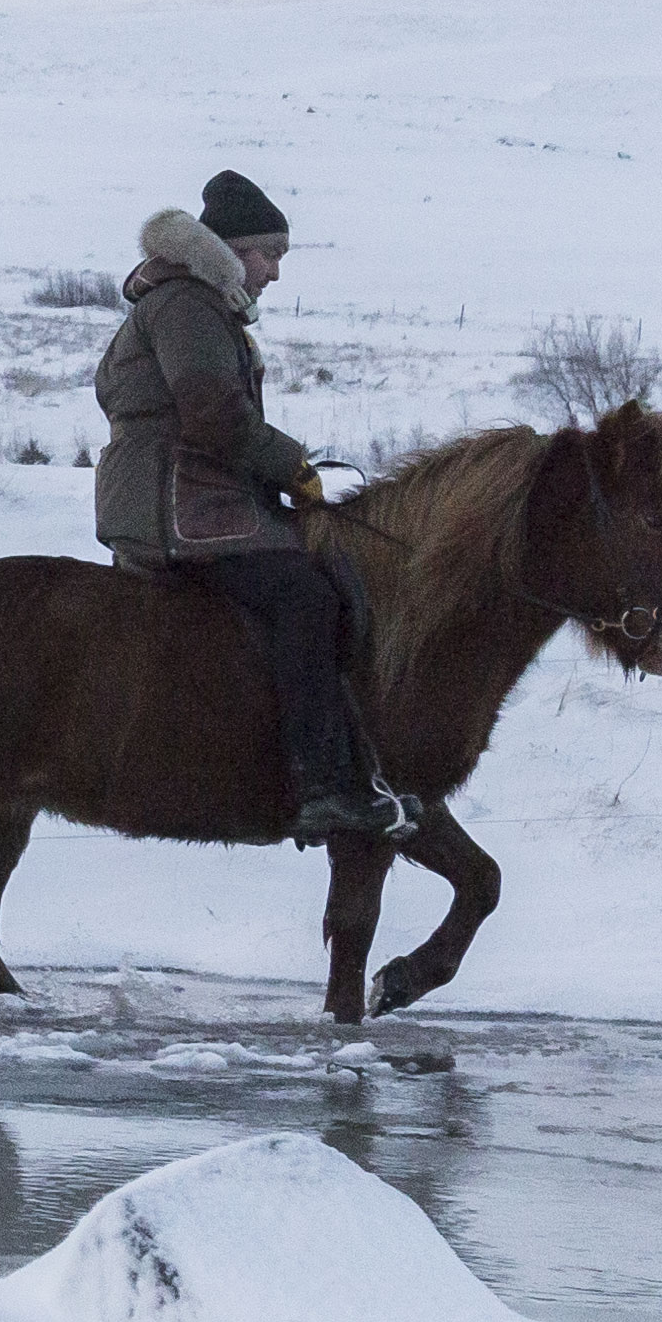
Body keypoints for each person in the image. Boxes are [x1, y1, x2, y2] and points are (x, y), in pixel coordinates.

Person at [90, 170, 411, 845]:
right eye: (270, 254)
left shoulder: (198, 303)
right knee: (304, 596)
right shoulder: (188, 305)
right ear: (232, 251)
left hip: (190, 492)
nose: (274, 272)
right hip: (173, 502)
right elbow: (213, 416)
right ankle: (322, 787)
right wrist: (290, 466)